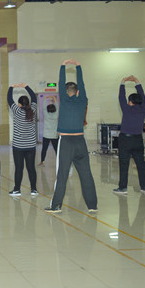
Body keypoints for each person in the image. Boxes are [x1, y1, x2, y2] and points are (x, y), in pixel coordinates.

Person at [45, 59, 98, 213]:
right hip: (81, 141)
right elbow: (82, 83)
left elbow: (61, 83)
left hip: (66, 141)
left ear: (65, 92)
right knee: (86, 174)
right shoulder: (82, 100)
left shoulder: (64, 99)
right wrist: (78, 67)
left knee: (62, 174)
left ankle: (56, 205)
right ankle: (92, 205)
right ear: (78, 92)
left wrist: (63, 66)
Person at [114, 75, 145, 195]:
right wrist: (137, 82)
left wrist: (123, 82)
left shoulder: (127, 109)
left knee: (124, 164)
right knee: (141, 164)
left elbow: (121, 97)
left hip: (125, 139)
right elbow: (143, 96)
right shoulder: (143, 108)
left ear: (130, 102)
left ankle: (123, 188)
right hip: (138, 139)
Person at [7, 83, 38, 196]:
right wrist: (26, 86)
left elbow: (9, 99)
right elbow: (34, 97)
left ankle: (17, 190)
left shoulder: (17, 111)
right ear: (28, 103)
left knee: (19, 168)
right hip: (31, 146)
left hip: (18, 146)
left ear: (19, 104)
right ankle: (34, 189)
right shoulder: (33, 110)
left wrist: (11, 87)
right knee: (31, 168)